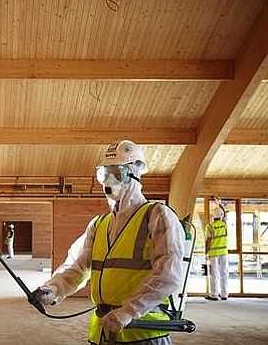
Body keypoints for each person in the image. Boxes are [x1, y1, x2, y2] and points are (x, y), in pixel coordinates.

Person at [32, 141, 185, 345]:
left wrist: (129, 312)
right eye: (104, 174)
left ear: (134, 173)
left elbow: (169, 275)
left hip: (143, 333)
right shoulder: (99, 224)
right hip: (104, 332)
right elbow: (76, 267)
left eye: (117, 173)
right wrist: (52, 290)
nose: (109, 181)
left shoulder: (157, 215)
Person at [205, 198, 229, 301]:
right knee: (224, 273)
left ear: (213, 216)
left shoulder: (210, 226)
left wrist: (206, 252)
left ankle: (214, 294)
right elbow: (225, 215)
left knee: (214, 274)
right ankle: (224, 294)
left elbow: (208, 241)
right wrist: (219, 204)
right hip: (224, 252)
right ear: (221, 216)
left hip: (214, 253)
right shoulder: (224, 224)